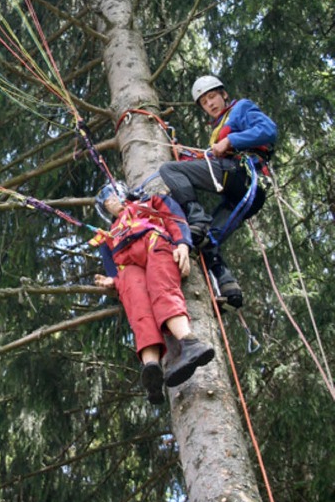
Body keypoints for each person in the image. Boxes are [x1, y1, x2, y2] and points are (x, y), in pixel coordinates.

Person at [91, 180, 215, 405]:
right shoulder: (108, 235)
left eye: (111, 196)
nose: (110, 202)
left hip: (153, 241)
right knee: (137, 306)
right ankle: (151, 367)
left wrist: (182, 244)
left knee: (162, 287)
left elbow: (174, 218)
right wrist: (113, 280)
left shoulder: (150, 202)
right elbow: (112, 266)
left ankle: (189, 342)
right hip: (127, 266)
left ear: (122, 192)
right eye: (105, 203)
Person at [159, 75, 277, 308]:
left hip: (241, 175)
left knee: (169, 170)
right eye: (204, 102)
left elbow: (268, 130)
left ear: (224, 94)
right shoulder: (217, 131)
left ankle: (197, 218)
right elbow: (208, 162)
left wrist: (231, 140)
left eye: (212, 96)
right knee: (207, 242)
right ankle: (227, 286)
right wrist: (185, 154)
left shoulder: (241, 108)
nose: (210, 104)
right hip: (242, 195)